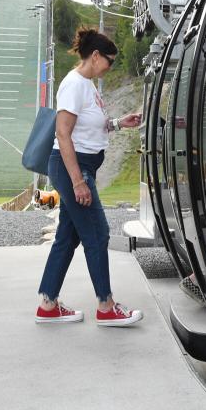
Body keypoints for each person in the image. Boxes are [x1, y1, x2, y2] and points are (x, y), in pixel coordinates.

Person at [35, 28, 144, 326]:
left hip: (82, 166)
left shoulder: (88, 86)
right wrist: (78, 182)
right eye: (109, 60)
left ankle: (48, 303)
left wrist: (120, 123)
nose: (110, 68)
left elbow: (91, 126)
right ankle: (106, 306)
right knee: (97, 234)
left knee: (67, 238)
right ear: (95, 56)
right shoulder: (74, 84)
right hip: (74, 168)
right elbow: (63, 133)